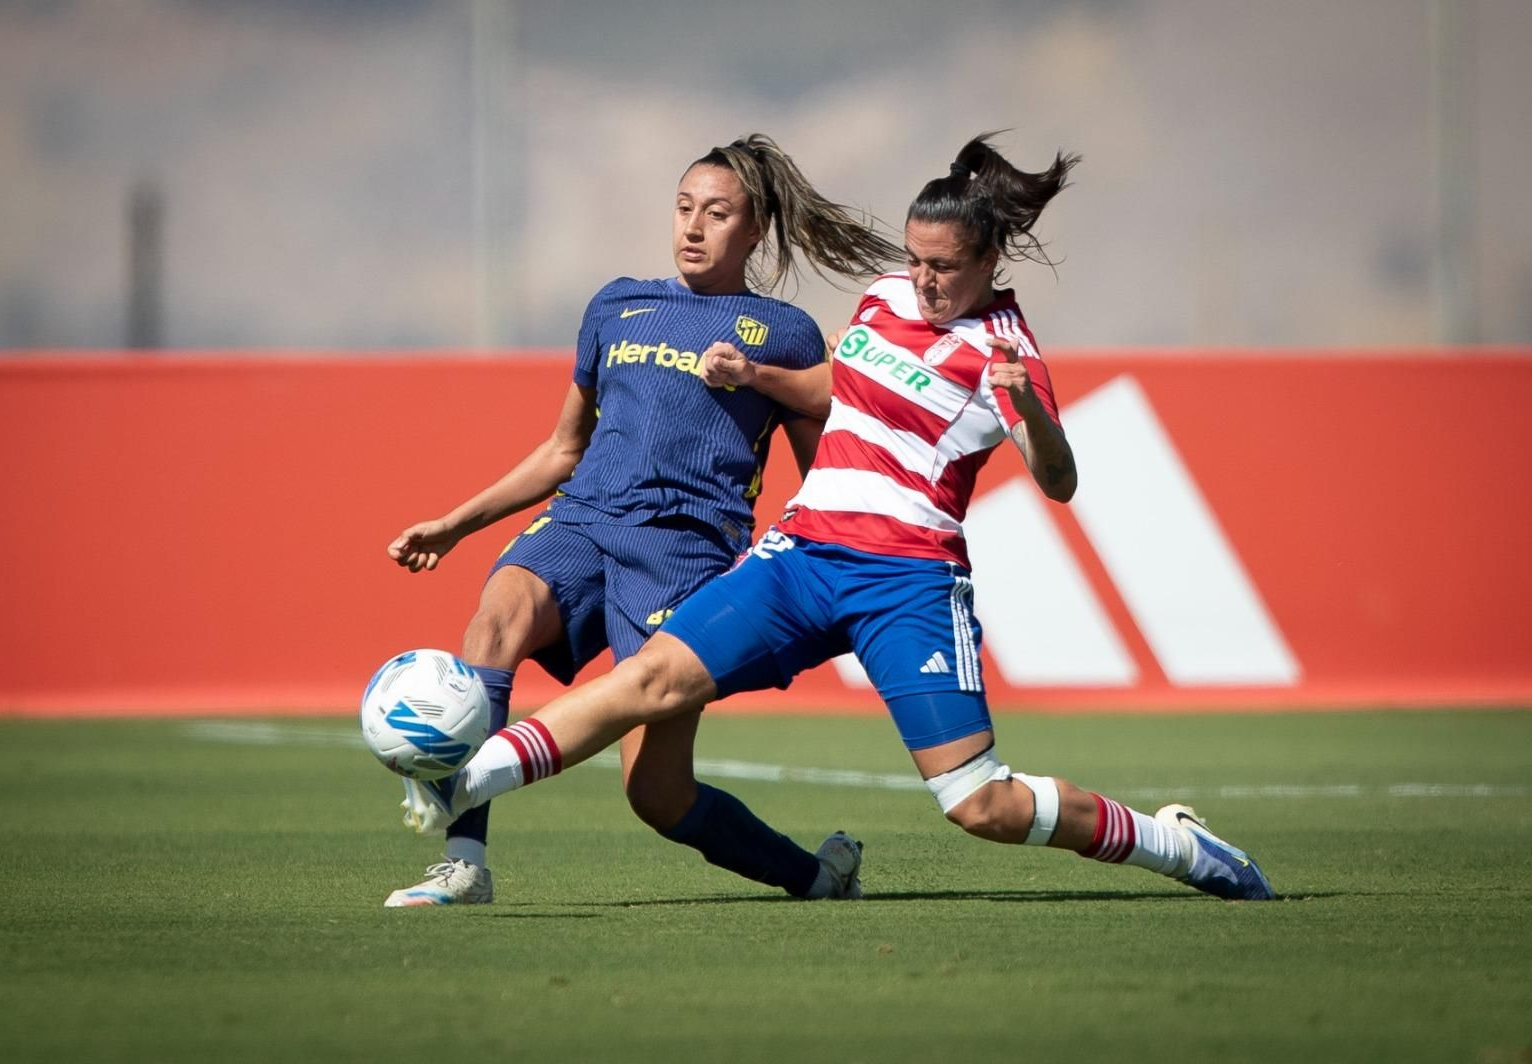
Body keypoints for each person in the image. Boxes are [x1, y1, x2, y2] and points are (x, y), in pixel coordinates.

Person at [407, 132, 1277, 902]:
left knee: (979, 803)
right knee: (646, 683)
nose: (923, 280)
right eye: (915, 258)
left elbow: (1058, 481)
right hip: (802, 554)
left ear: (989, 261)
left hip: (907, 578)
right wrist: (757, 379)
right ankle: (460, 783)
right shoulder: (888, 297)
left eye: (944, 267)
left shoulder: (1006, 355)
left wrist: (1033, 416)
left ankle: (1175, 846)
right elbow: (839, 389)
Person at [382, 134, 900, 906]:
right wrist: (457, 524)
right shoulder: (616, 305)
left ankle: (814, 875)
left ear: (755, 229)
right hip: (583, 520)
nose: (693, 226)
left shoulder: (783, 332)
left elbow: (823, 475)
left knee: (655, 793)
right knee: (494, 626)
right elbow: (564, 448)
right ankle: (466, 865)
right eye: (684, 208)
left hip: (686, 551)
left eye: (717, 213)